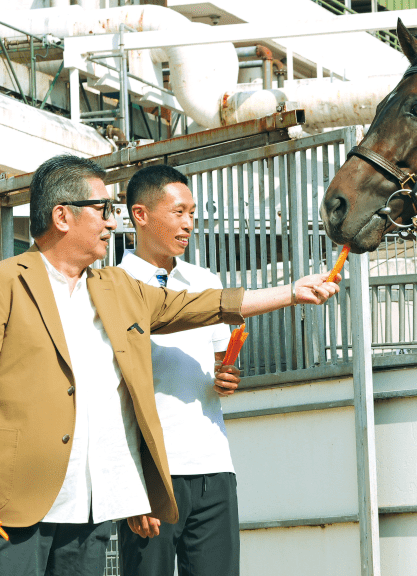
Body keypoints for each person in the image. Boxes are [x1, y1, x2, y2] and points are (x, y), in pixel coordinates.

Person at [0, 154, 339, 576]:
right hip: (18, 497)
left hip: (91, 507)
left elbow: (204, 305)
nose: (112, 223)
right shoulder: (0, 282)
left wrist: (292, 292)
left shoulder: (116, 288)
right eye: (103, 210)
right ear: (62, 215)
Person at [114, 165, 241, 576]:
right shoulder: (112, 284)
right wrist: (132, 485)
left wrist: (228, 377)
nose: (189, 224)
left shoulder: (205, 281)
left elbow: (223, 362)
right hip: (152, 471)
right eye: (179, 212)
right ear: (141, 215)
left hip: (214, 465)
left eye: (192, 213)